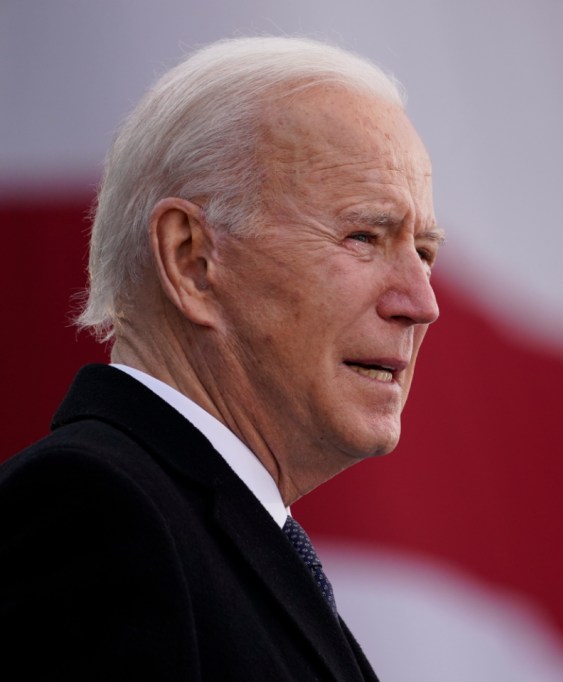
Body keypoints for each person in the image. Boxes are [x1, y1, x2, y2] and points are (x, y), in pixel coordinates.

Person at [0, 35, 442, 680]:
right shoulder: (90, 510)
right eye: (364, 237)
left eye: (424, 251)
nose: (421, 302)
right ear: (192, 260)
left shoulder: (212, 532)